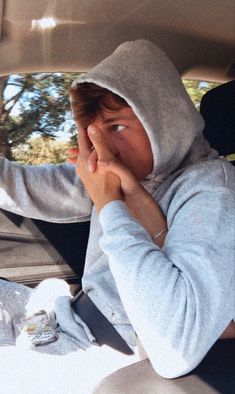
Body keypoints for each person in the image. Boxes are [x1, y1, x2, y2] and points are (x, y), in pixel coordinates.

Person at [0, 39, 234, 378]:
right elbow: (19, 185)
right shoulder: (116, 169)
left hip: (111, 355)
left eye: (117, 128)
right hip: (69, 320)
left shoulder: (212, 191)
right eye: (92, 134)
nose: (103, 149)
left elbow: (174, 346)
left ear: (163, 119)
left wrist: (110, 204)